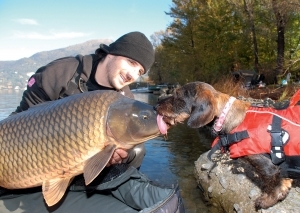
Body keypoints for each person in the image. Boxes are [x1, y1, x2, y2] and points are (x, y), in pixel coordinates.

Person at [0, 32, 185, 213]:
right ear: (112, 53)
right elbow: (19, 121)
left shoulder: (124, 99)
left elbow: (128, 154)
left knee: (137, 151)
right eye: (131, 62)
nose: (133, 75)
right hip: (20, 156)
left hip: (73, 172)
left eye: (140, 71)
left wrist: (119, 158)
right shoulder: (61, 72)